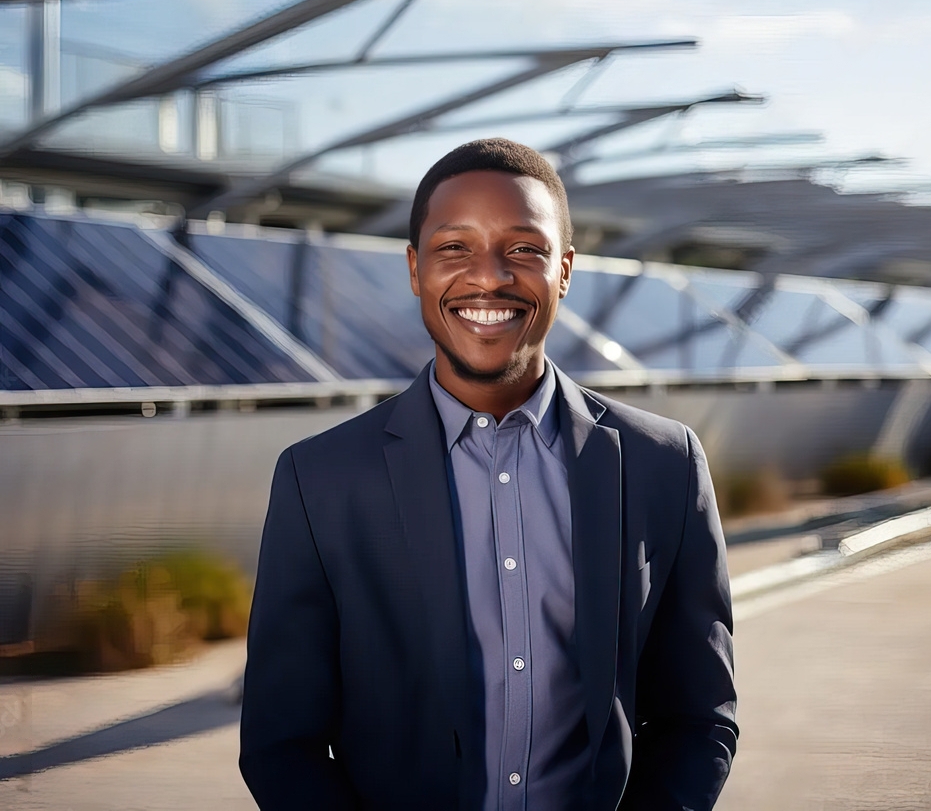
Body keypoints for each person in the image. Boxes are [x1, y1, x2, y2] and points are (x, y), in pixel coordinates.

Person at [240, 139, 737, 811]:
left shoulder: (663, 465)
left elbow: (698, 716)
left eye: (524, 250)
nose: (489, 277)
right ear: (415, 269)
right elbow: (281, 743)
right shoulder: (320, 481)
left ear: (563, 271)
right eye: (455, 248)